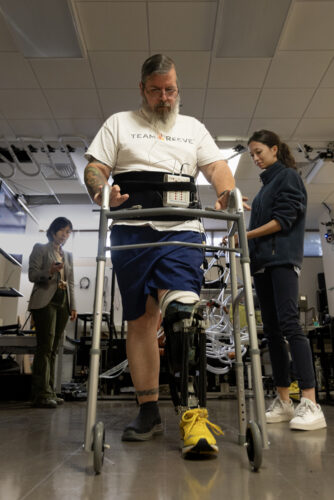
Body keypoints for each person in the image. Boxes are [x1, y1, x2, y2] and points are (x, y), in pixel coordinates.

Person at [84, 54, 235, 457]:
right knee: (141, 322)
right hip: (132, 232)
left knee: (184, 311)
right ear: (142, 89)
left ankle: (194, 417)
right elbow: (95, 168)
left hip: (181, 229)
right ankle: (148, 410)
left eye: (170, 90)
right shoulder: (118, 123)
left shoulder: (192, 128)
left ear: (177, 89)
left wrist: (225, 191)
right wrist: (103, 192)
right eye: (156, 91)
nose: (164, 98)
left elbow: (218, 166)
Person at [246, 129, 326, 431]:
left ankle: (310, 402)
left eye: (259, 152)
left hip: (281, 262)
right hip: (263, 265)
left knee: (291, 326)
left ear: (275, 149)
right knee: (272, 332)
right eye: (252, 154)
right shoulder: (265, 186)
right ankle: (283, 400)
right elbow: (271, 213)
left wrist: (245, 233)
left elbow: (283, 220)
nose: (255, 158)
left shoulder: (288, 177)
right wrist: (250, 210)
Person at [28, 217, 77, 408]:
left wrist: (73, 306)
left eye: (68, 232)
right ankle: (41, 393)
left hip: (63, 301)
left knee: (55, 347)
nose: (65, 235)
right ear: (54, 230)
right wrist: (49, 271)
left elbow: (71, 281)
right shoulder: (40, 248)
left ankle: (50, 391)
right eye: (63, 231)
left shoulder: (68, 256)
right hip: (45, 301)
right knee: (45, 347)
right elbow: (32, 275)